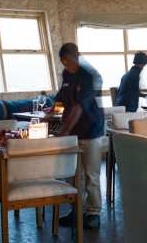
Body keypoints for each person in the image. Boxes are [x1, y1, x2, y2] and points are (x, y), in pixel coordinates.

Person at [54, 43, 104, 229]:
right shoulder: (67, 74)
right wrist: (52, 112)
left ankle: (93, 213)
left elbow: (78, 106)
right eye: (63, 62)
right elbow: (61, 98)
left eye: (68, 61)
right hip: (73, 132)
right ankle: (76, 210)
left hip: (91, 131)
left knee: (91, 174)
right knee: (74, 175)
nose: (66, 65)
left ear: (76, 56)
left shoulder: (90, 75)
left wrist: (64, 130)